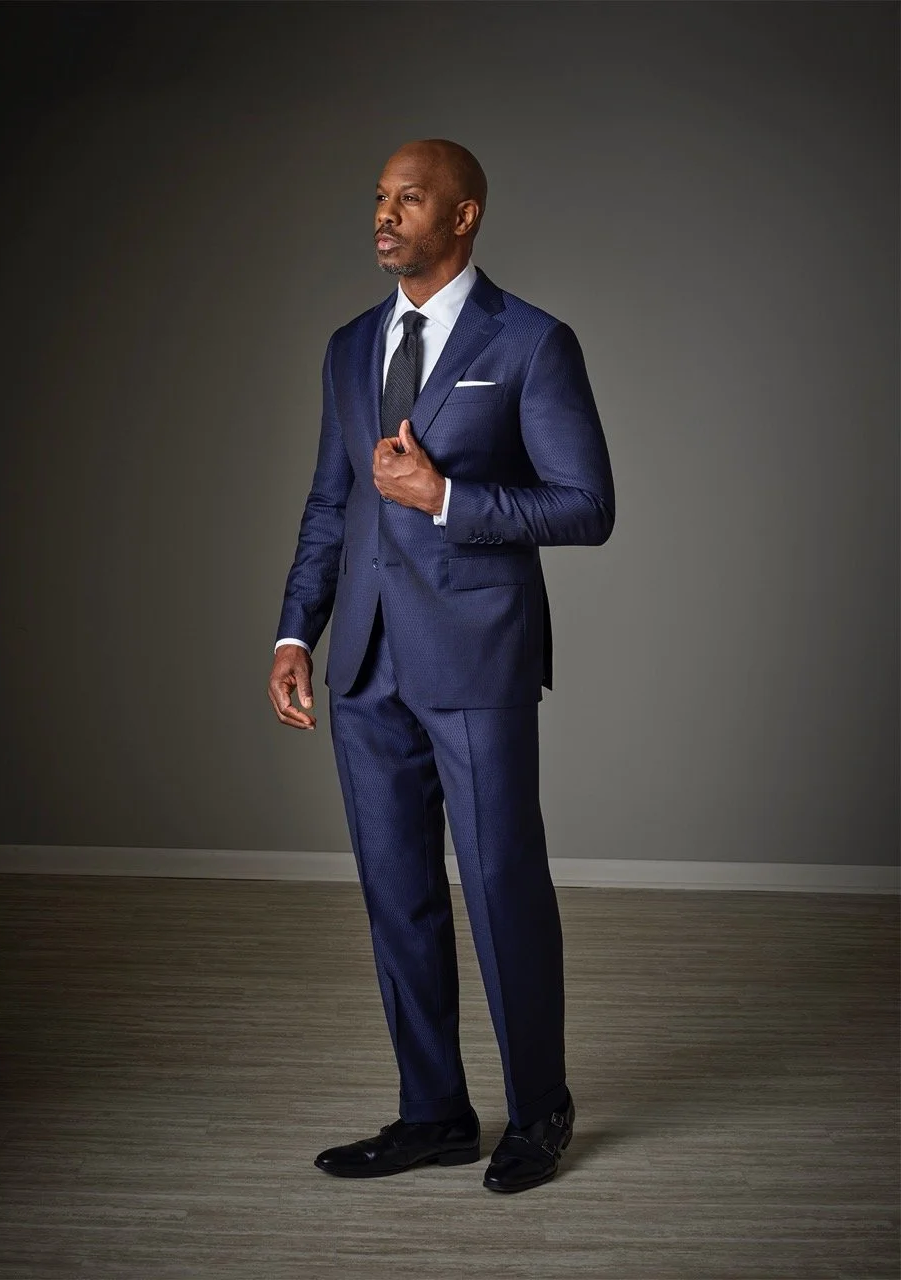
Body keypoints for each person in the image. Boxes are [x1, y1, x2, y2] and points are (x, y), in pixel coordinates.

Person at [268, 139, 615, 1193]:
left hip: (476, 657)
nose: (385, 215)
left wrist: (452, 500)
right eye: (379, 198)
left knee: (504, 886)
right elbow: (333, 504)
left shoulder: (532, 342)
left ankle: (540, 1109)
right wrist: (296, 631)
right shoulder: (346, 346)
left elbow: (587, 505)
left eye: (409, 199)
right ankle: (434, 1111)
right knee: (397, 895)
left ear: (462, 216)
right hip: (365, 664)